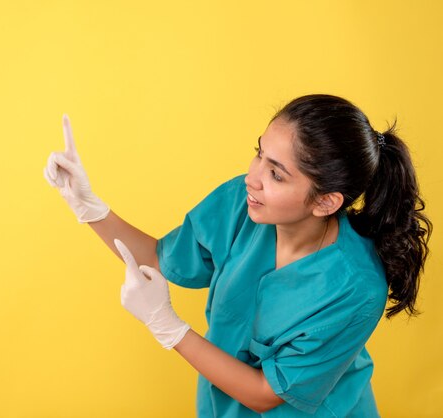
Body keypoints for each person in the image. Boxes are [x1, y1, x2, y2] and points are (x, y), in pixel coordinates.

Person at [43, 94, 432, 417]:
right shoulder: (244, 205)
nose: (253, 176)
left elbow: (265, 393)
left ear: (326, 201)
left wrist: (167, 326)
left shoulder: (356, 288)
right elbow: (164, 258)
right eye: (259, 153)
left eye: (277, 174)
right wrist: (90, 209)